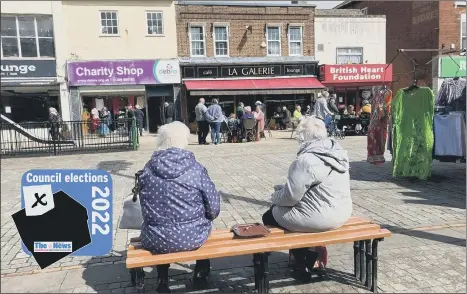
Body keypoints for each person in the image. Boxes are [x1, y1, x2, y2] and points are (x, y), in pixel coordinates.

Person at [262, 116, 352, 281]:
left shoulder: (306, 160)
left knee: (270, 215)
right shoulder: (339, 154)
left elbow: (291, 197)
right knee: (296, 215)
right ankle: (307, 255)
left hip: (320, 218)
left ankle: (302, 261)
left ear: (302, 137)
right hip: (342, 213)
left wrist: (275, 196)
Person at [138, 121, 220, 292]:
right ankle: (201, 270)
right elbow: (213, 207)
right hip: (192, 236)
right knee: (205, 226)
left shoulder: (147, 170)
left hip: (154, 238)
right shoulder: (196, 170)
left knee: (162, 230)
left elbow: (145, 207)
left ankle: (162, 278)